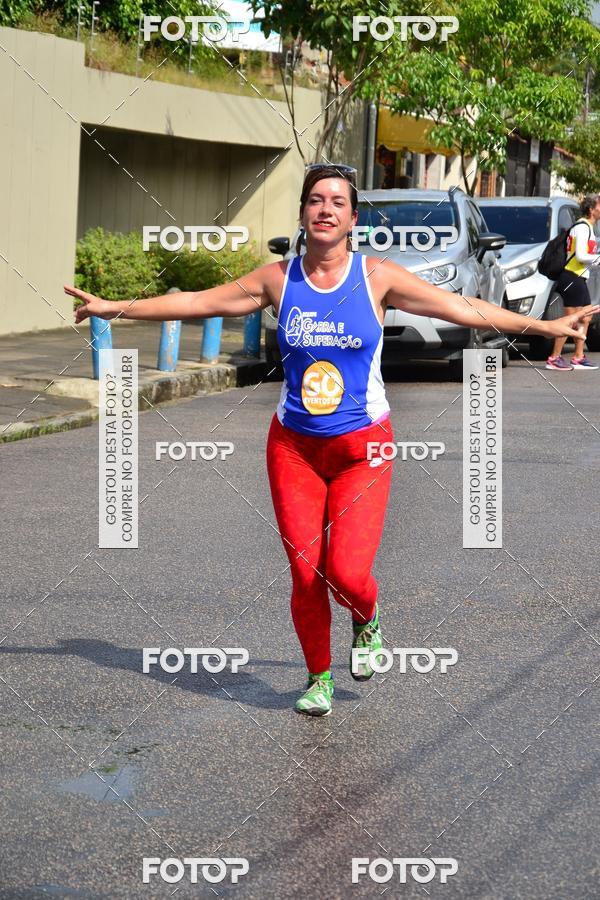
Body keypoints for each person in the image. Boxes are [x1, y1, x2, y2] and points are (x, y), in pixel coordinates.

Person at [64, 163, 600, 717]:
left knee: (346, 575)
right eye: (316, 200)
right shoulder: (278, 279)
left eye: (337, 202)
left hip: (363, 450)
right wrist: (113, 308)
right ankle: (317, 675)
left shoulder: (378, 279)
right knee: (304, 570)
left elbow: (463, 308)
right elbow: (201, 301)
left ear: (351, 220)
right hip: (293, 447)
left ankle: (366, 616)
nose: (325, 209)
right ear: (302, 214)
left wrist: (545, 328)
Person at [546, 193, 600, 371]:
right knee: (570, 320)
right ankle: (554, 358)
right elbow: (581, 255)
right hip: (571, 277)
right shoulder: (582, 227)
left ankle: (578, 357)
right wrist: (598, 259)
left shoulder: (589, 227)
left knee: (586, 316)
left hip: (579, 277)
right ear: (592, 209)